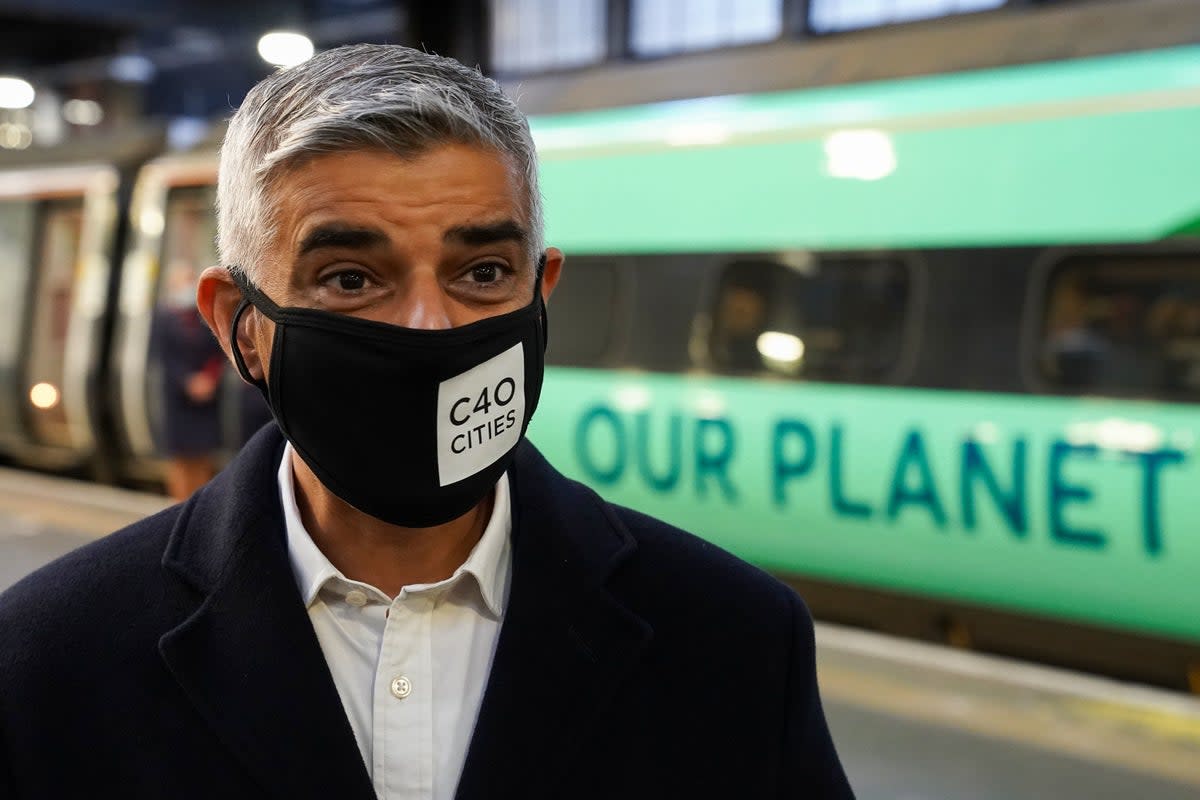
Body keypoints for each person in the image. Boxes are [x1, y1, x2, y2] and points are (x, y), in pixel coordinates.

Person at [0, 45, 854, 799]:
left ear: (540, 293)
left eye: (481, 271)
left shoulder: (736, 641)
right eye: (349, 278)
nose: (430, 330)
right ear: (238, 324)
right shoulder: (48, 659)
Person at [151, 261, 226, 500]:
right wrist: (187, 381)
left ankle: (198, 506)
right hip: (177, 398)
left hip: (205, 399)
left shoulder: (204, 316)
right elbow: (163, 357)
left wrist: (210, 379)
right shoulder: (163, 318)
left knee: (203, 456)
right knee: (180, 458)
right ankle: (179, 506)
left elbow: (219, 350)